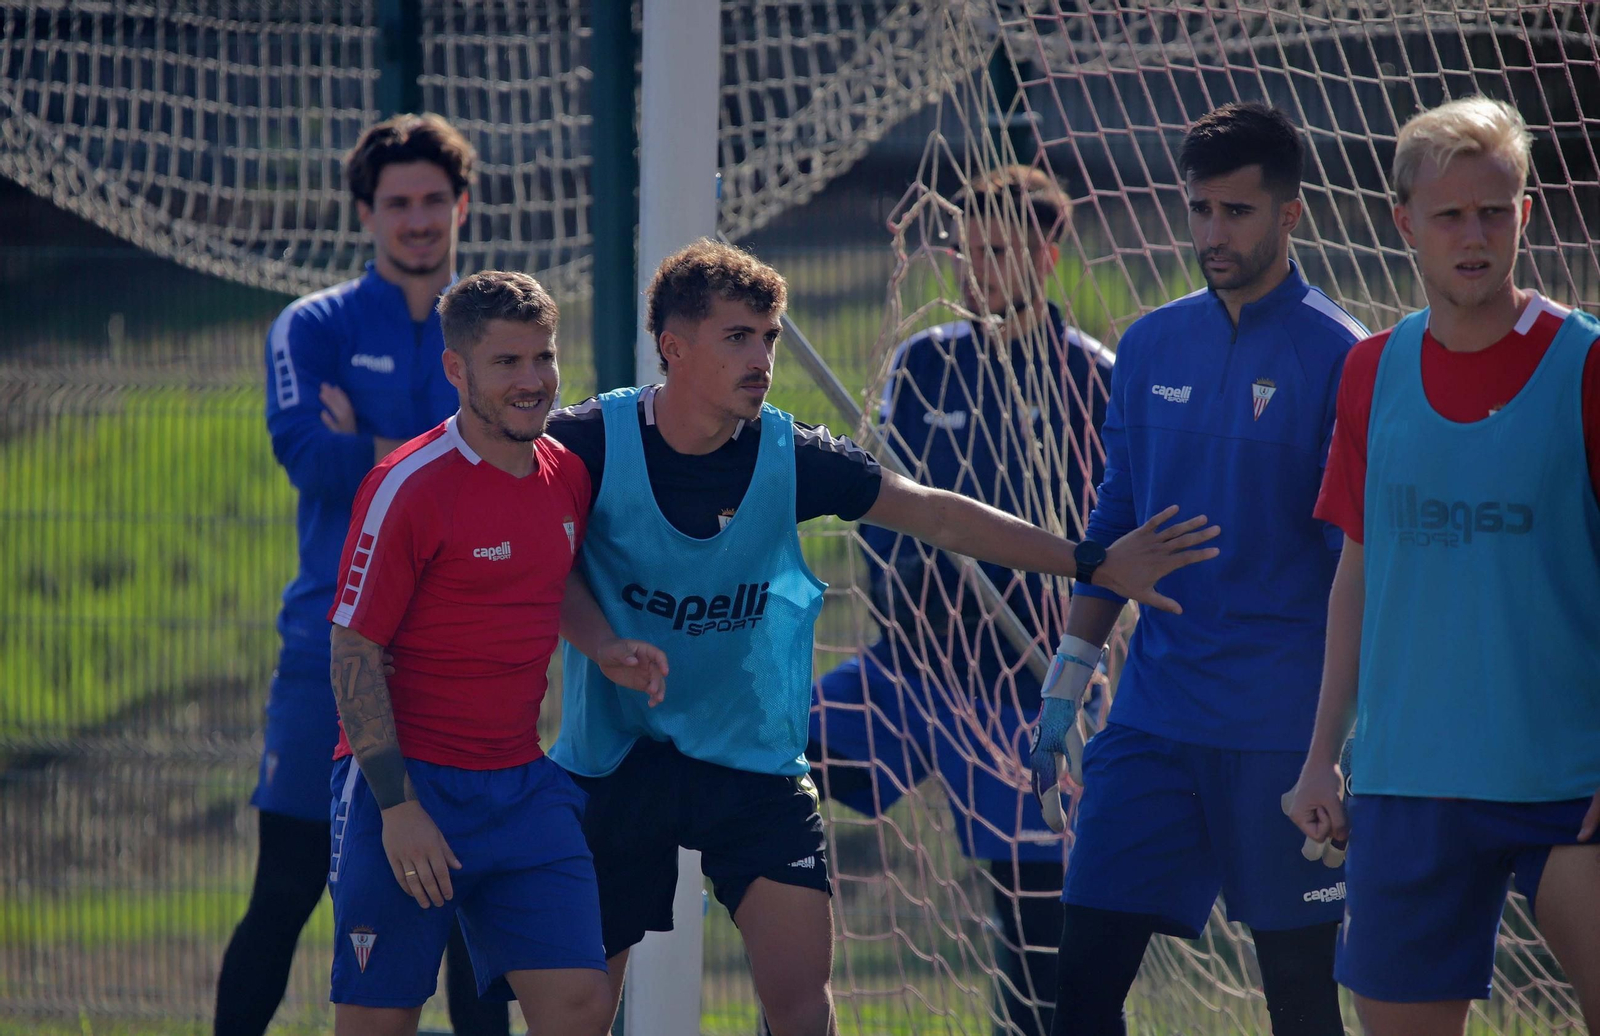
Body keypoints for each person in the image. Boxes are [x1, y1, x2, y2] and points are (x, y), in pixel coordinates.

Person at [543, 239, 1218, 1036]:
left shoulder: (791, 454)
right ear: (675, 347)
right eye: (738, 338)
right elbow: (541, 561)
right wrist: (600, 643)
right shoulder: (583, 443)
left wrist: (1090, 560)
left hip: (749, 758)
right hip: (618, 759)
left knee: (801, 1006)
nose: (762, 358)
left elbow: (934, 513)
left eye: (770, 336)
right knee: (577, 1011)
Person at [1029, 103, 1368, 1036]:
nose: (1213, 233)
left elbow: (1360, 571)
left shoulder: (1342, 357)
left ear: (1290, 213)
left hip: (1280, 732)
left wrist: (1344, 745)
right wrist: (1071, 673)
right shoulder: (1148, 345)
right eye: (1200, 209)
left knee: (1301, 1000)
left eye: (1237, 212)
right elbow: (1116, 520)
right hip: (1154, 718)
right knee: (1081, 988)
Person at [1288, 96, 1600, 1036]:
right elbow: (1358, 571)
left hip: (1568, 778)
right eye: (1450, 214)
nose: (1474, 236)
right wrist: (1321, 757)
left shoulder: (1586, 365)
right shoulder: (1369, 370)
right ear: (1404, 223)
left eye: (1494, 212)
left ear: (1526, 215)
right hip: (1408, 777)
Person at [807, 165, 1112, 1036]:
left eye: (1000, 251)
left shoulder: (1094, 378)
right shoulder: (924, 364)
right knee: (764, 769)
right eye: (968, 251)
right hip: (908, 672)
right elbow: (879, 503)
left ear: (1047, 255)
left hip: (1026, 690)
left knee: (1036, 928)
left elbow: (1110, 534)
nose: (979, 270)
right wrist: (908, 584)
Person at [220, 112, 506, 1036]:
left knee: (467, 912)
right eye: (397, 203)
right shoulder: (312, 325)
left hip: (459, 667)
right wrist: (445, 451)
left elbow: (513, 468)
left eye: (434, 200)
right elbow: (308, 456)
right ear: (365, 215)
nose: (417, 219)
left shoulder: (498, 327)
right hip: (329, 657)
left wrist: (375, 449)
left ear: (462, 206)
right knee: (285, 890)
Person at [324, 270, 667, 1035]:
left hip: (520, 787)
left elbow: (553, 573)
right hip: (407, 787)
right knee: (377, 1023)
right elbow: (352, 648)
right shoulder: (408, 485)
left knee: (580, 1007)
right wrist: (398, 807)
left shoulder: (565, 473)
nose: (533, 380)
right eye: (507, 361)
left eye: (544, 357)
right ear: (457, 369)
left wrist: (603, 644)